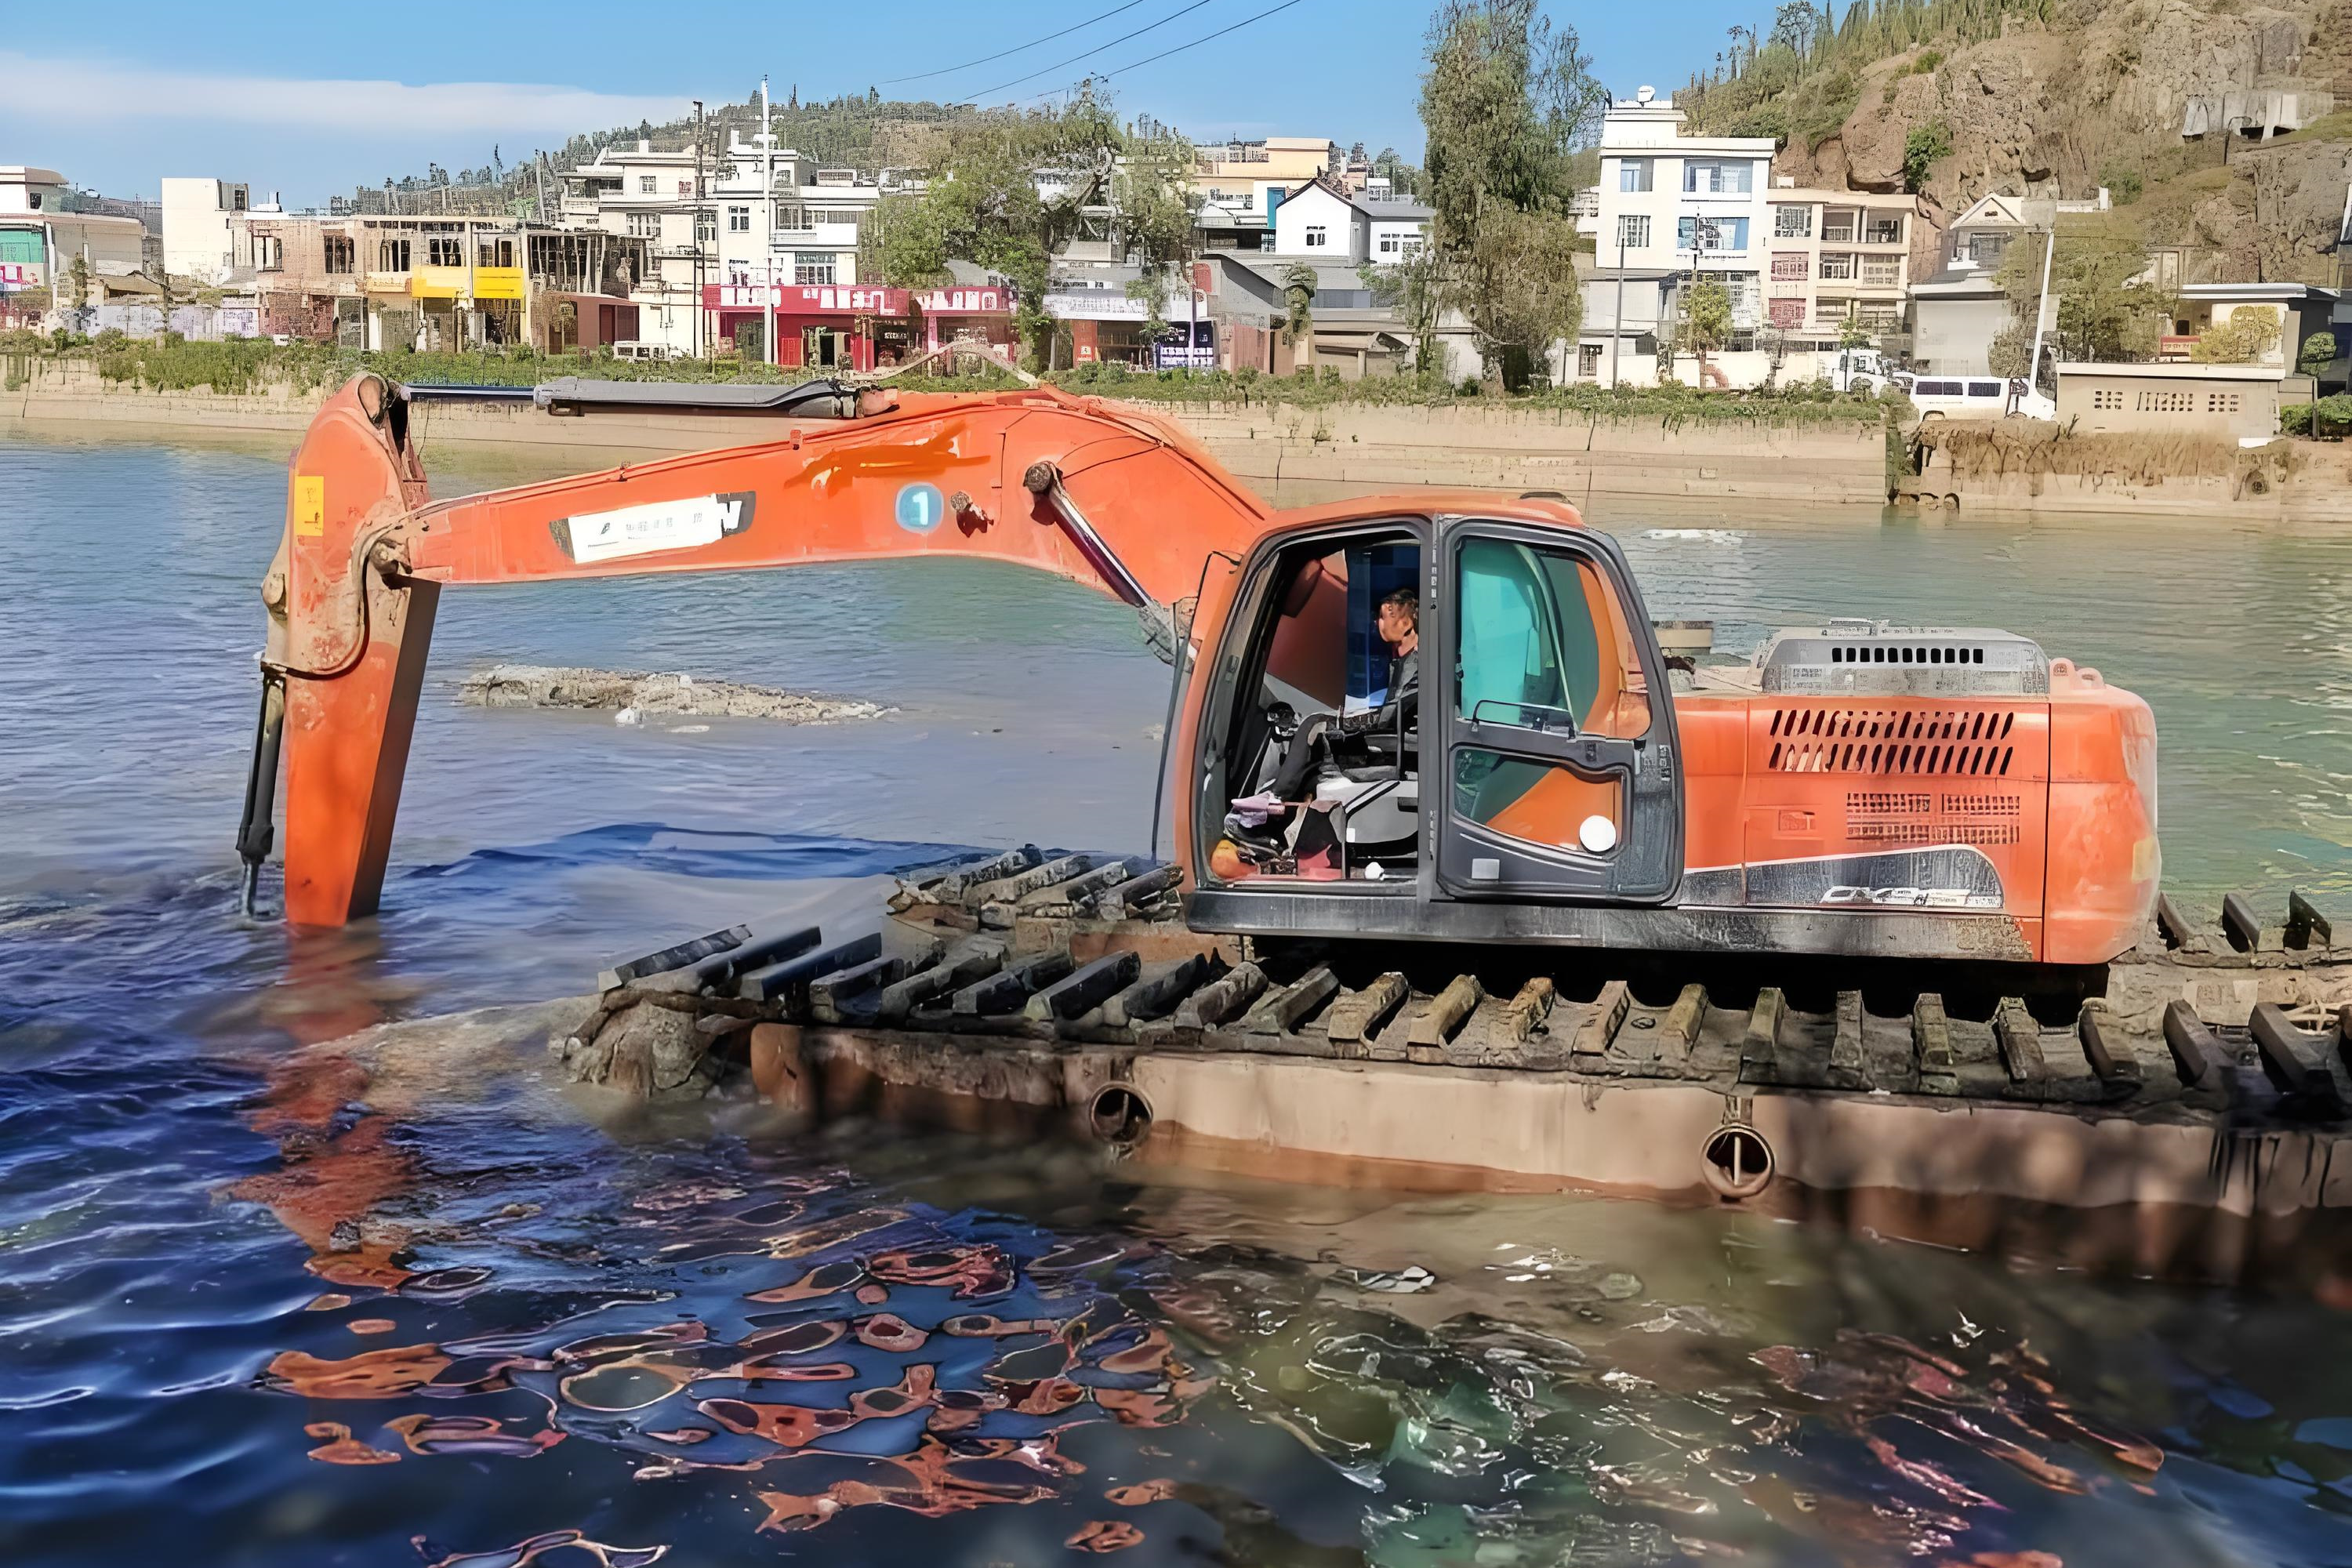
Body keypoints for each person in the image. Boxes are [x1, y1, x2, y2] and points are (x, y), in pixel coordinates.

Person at [1266, 586, 1419, 801]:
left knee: (1313, 723)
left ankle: (1277, 796)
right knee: (1312, 727)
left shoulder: (1416, 664)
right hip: (1389, 733)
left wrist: (1342, 720)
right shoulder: (1403, 662)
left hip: (1394, 741)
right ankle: (1280, 793)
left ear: (1406, 623)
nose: (1377, 623)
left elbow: (1392, 715)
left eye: (1384, 616)